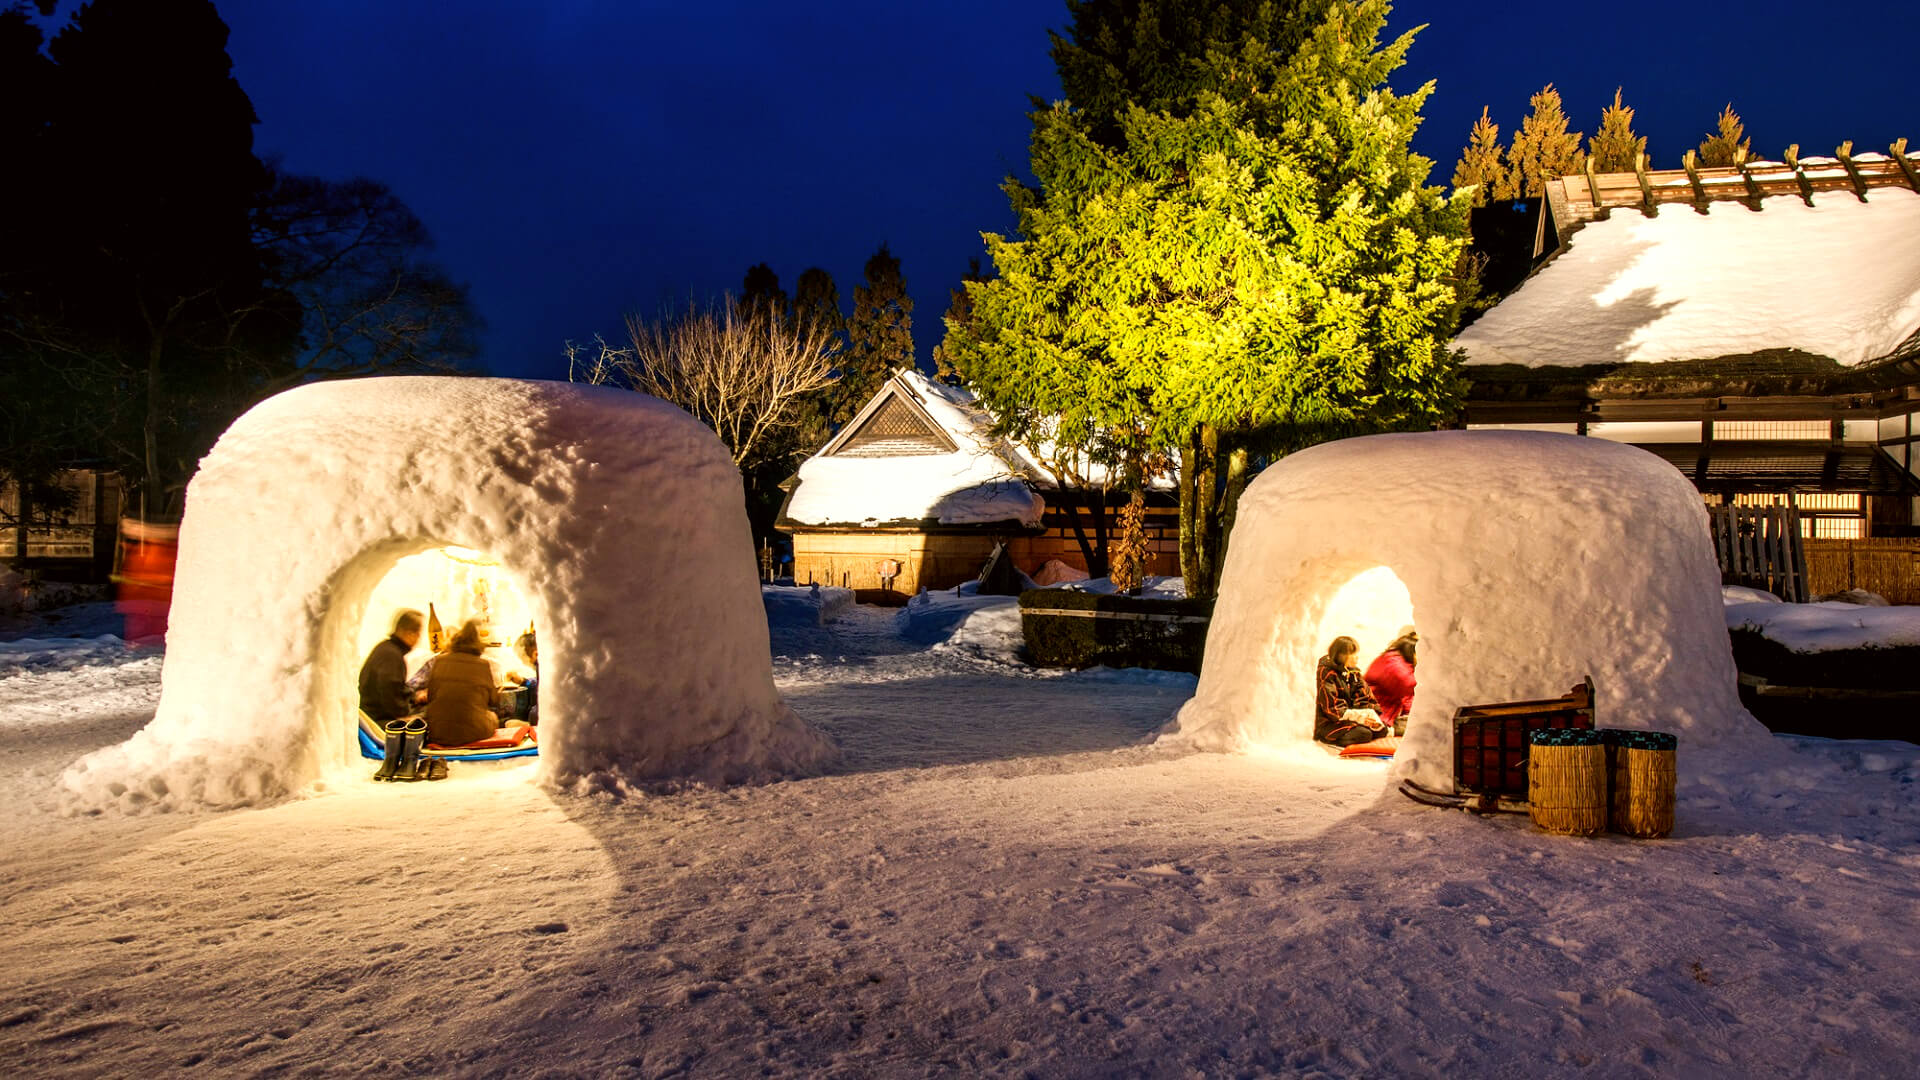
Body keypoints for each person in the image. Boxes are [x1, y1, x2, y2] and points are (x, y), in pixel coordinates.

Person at [422, 620, 502, 747]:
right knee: (493, 717)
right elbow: (493, 701)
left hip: (437, 732)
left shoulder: (439, 661)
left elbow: (431, 696)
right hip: (473, 732)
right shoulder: (482, 665)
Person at [1315, 635, 1387, 747]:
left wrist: (1369, 716)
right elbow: (1333, 709)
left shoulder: (1354, 673)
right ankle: (1330, 740)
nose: (1356, 657)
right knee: (1364, 734)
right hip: (1331, 722)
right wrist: (1358, 716)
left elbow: (1365, 698)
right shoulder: (1327, 673)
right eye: (1352, 654)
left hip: (1351, 719)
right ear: (1341, 655)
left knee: (1381, 730)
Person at [358, 610, 422, 724]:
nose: (418, 639)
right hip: (377, 719)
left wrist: (414, 696)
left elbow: (396, 688)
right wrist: (403, 715)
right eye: (418, 634)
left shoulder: (386, 649)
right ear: (409, 633)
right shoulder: (391, 656)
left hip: (373, 714)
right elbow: (390, 695)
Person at [1364, 629, 1418, 737]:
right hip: (1377, 715)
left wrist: (1409, 713)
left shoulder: (1396, 661)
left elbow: (1408, 696)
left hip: (1388, 714)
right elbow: (1409, 685)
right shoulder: (1393, 663)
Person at [506, 630, 539, 725]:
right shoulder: (541, 666)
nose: (522, 661)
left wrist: (527, 724)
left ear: (535, 654)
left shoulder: (544, 666)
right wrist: (522, 681)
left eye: (522, 656)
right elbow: (537, 683)